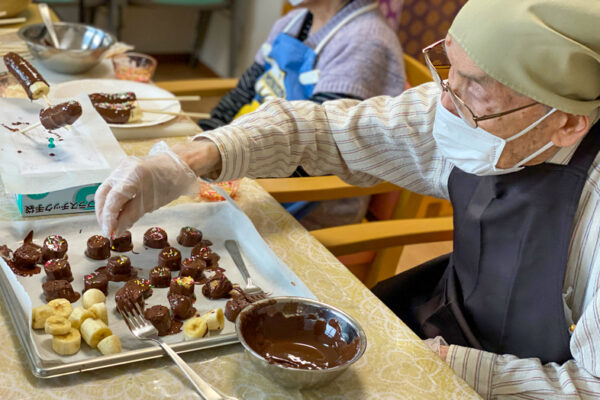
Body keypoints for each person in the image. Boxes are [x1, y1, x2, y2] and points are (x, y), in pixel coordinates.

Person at [95, 0, 600, 397]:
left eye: (475, 93)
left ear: (566, 122)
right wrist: (189, 159)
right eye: (449, 71)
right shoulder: (455, 110)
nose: (443, 102)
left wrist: (446, 365)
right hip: (446, 317)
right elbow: (316, 129)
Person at [197, 0, 406, 228]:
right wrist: (206, 135)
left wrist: (223, 161)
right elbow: (243, 93)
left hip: (310, 196)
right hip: (251, 157)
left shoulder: (366, 41)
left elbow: (320, 146)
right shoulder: (292, 22)